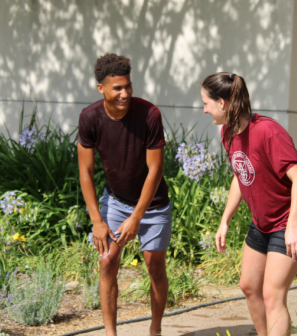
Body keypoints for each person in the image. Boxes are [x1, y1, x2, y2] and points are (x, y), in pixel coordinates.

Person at [201, 72, 297, 336]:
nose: (204, 109)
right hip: (264, 222)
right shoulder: (228, 133)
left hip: (295, 219)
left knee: (272, 293)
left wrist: (292, 228)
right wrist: (225, 219)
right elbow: (239, 172)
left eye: (206, 103)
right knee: (249, 286)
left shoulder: (267, 131)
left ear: (222, 103)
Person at [78, 53, 172, 336]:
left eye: (128, 86)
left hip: (152, 204)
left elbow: (155, 170)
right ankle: (111, 334)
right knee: (107, 261)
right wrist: (97, 220)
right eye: (117, 88)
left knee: (154, 265)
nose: (124, 93)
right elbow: (85, 171)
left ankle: (155, 329)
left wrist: (137, 217)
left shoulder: (149, 114)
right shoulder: (90, 118)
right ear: (101, 88)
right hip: (116, 200)